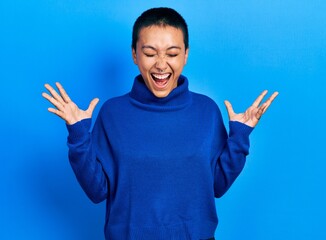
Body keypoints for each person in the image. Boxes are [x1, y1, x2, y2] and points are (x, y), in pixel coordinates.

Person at [42, 7, 278, 240]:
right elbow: (97, 191)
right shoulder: (113, 113)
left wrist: (240, 138)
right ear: (134, 54)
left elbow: (217, 185)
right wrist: (78, 136)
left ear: (186, 55)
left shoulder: (206, 111)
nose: (161, 64)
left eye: (172, 53)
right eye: (150, 53)